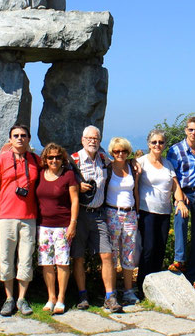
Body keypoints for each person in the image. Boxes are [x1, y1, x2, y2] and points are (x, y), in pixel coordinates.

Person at [0, 124, 40, 316]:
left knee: (26, 259)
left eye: (23, 135)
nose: (20, 138)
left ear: (28, 139)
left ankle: (22, 298)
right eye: (16, 135)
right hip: (6, 216)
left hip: (29, 217)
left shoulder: (36, 160)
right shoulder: (0, 160)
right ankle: (9, 298)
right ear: (10, 139)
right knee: (5, 259)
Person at [69, 125, 117, 311]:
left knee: (107, 254)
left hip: (98, 214)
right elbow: (63, 182)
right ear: (82, 140)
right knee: (78, 256)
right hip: (79, 214)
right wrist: (76, 186)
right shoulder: (74, 160)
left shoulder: (104, 160)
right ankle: (82, 295)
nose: (92, 141)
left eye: (96, 138)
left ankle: (110, 296)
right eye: (89, 138)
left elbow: (120, 167)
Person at [136, 129, 187, 293]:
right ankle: (142, 284)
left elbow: (176, 186)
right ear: (149, 144)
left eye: (161, 142)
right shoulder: (141, 162)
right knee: (148, 248)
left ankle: (155, 284)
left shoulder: (168, 164)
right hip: (147, 211)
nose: (157, 145)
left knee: (160, 248)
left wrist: (180, 201)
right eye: (154, 142)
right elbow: (134, 186)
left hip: (165, 211)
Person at [166, 116, 195, 292]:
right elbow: (173, 176)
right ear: (186, 130)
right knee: (180, 221)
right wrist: (179, 197)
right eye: (191, 129)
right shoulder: (175, 150)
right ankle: (179, 259)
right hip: (183, 192)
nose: (194, 133)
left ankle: (194, 276)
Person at [36, 143, 79, 315]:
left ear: (63, 159)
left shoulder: (68, 175)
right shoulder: (40, 175)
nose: (54, 160)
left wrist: (73, 223)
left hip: (62, 226)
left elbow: (74, 200)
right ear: (45, 159)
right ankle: (51, 297)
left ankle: (61, 298)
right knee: (46, 262)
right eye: (50, 157)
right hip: (43, 225)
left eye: (58, 157)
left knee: (62, 263)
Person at [104, 137, 142, 307]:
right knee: (111, 255)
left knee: (128, 253)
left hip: (130, 214)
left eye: (124, 151)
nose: (120, 154)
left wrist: (137, 212)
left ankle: (128, 290)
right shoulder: (108, 169)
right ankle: (111, 293)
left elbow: (136, 192)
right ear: (112, 152)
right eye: (117, 151)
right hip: (112, 212)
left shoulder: (132, 169)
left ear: (128, 152)